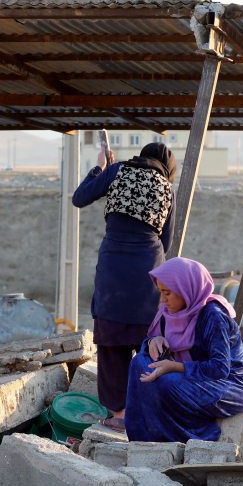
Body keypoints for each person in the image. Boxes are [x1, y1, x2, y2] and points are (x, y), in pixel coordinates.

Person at [72, 141, 177, 430]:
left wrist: (101, 168)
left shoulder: (118, 170)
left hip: (113, 268)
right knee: (149, 339)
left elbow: (79, 198)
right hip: (148, 271)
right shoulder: (166, 188)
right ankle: (148, 413)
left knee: (111, 339)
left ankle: (119, 414)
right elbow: (167, 241)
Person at [124, 257, 243, 443]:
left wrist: (176, 367)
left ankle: (190, 438)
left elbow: (220, 368)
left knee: (168, 383)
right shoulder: (170, 311)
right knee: (139, 363)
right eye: (161, 292)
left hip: (229, 385)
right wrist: (154, 340)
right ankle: (144, 440)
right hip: (193, 377)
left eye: (167, 293)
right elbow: (155, 343)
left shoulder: (214, 317)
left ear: (185, 290)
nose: (162, 299)